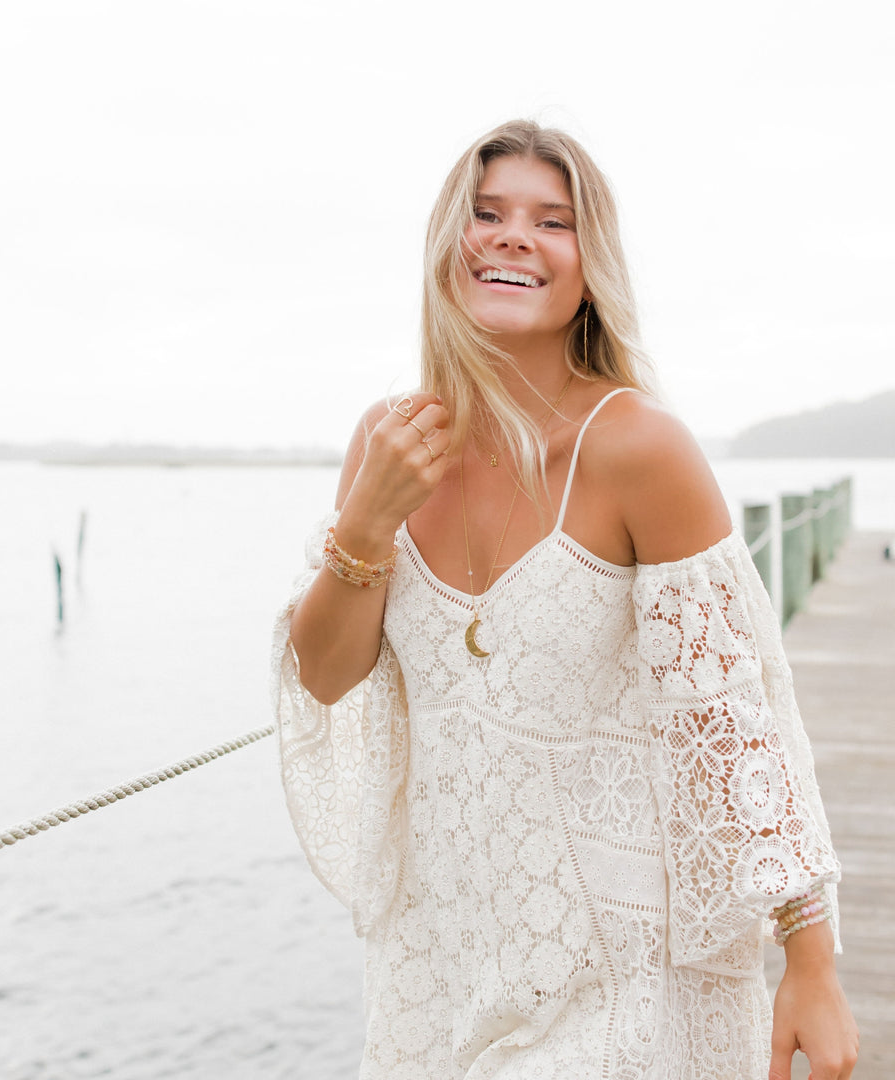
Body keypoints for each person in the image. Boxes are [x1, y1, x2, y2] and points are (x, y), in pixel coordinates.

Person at [272, 119, 858, 1080]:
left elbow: (737, 728)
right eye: (488, 212)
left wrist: (811, 961)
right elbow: (325, 673)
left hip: (618, 962)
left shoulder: (638, 448)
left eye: (552, 221)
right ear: (446, 247)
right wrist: (367, 524)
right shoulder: (388, 439)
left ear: (590, 268)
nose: (513, 236)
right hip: (438, 963)